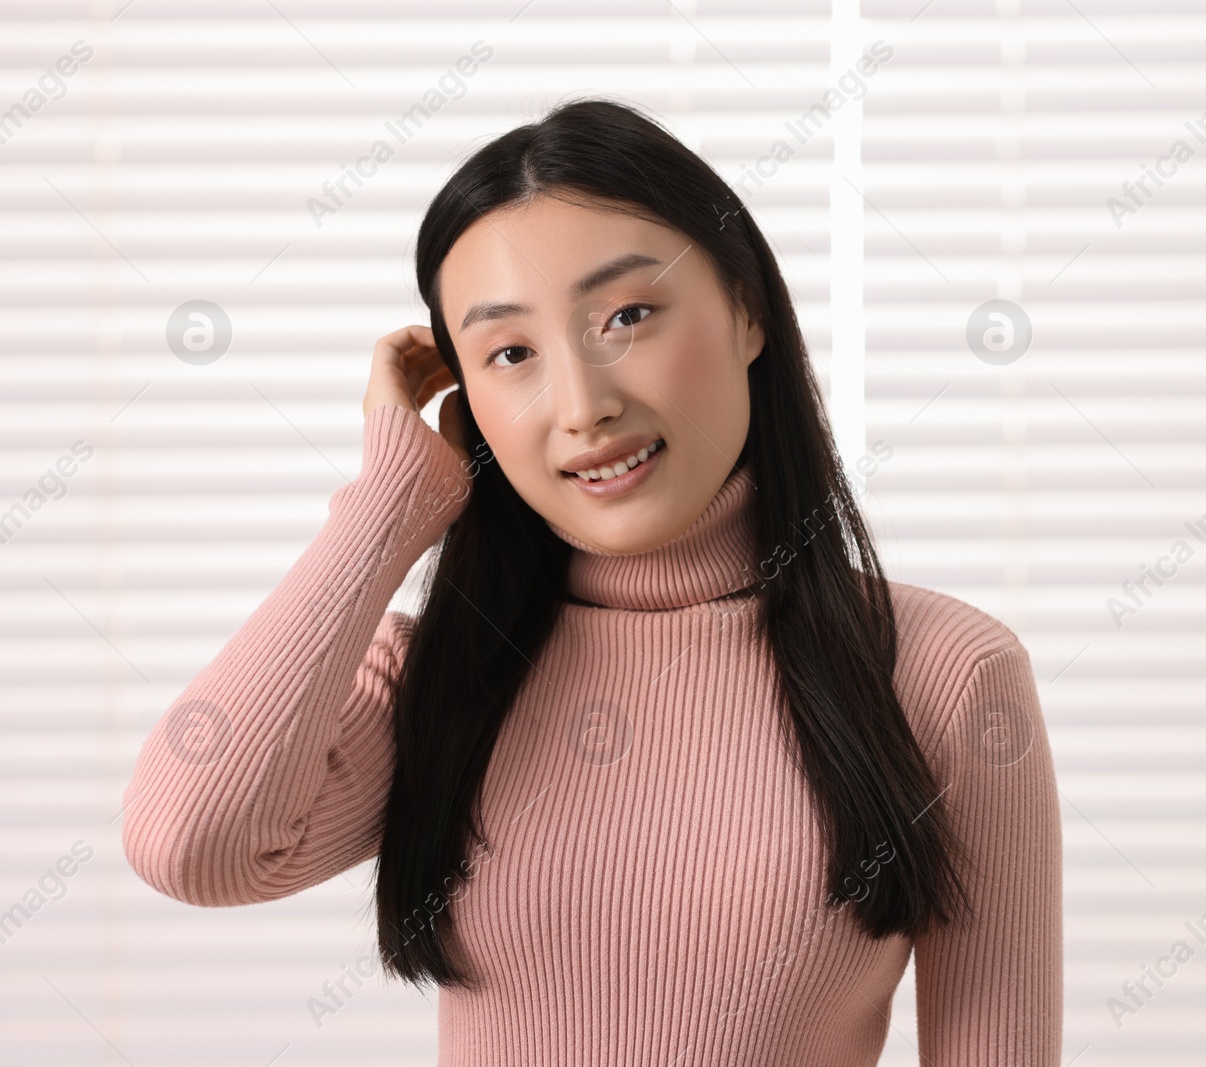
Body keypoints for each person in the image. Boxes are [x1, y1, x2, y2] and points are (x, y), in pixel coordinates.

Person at [121, 97, 1061, 1066]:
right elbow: (190, 844)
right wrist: (383, 509)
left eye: (626, 315)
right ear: (467, 396)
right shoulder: (443, 674)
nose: (583, 404)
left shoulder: (944, 674)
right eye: (511, 353)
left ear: (746, 310)